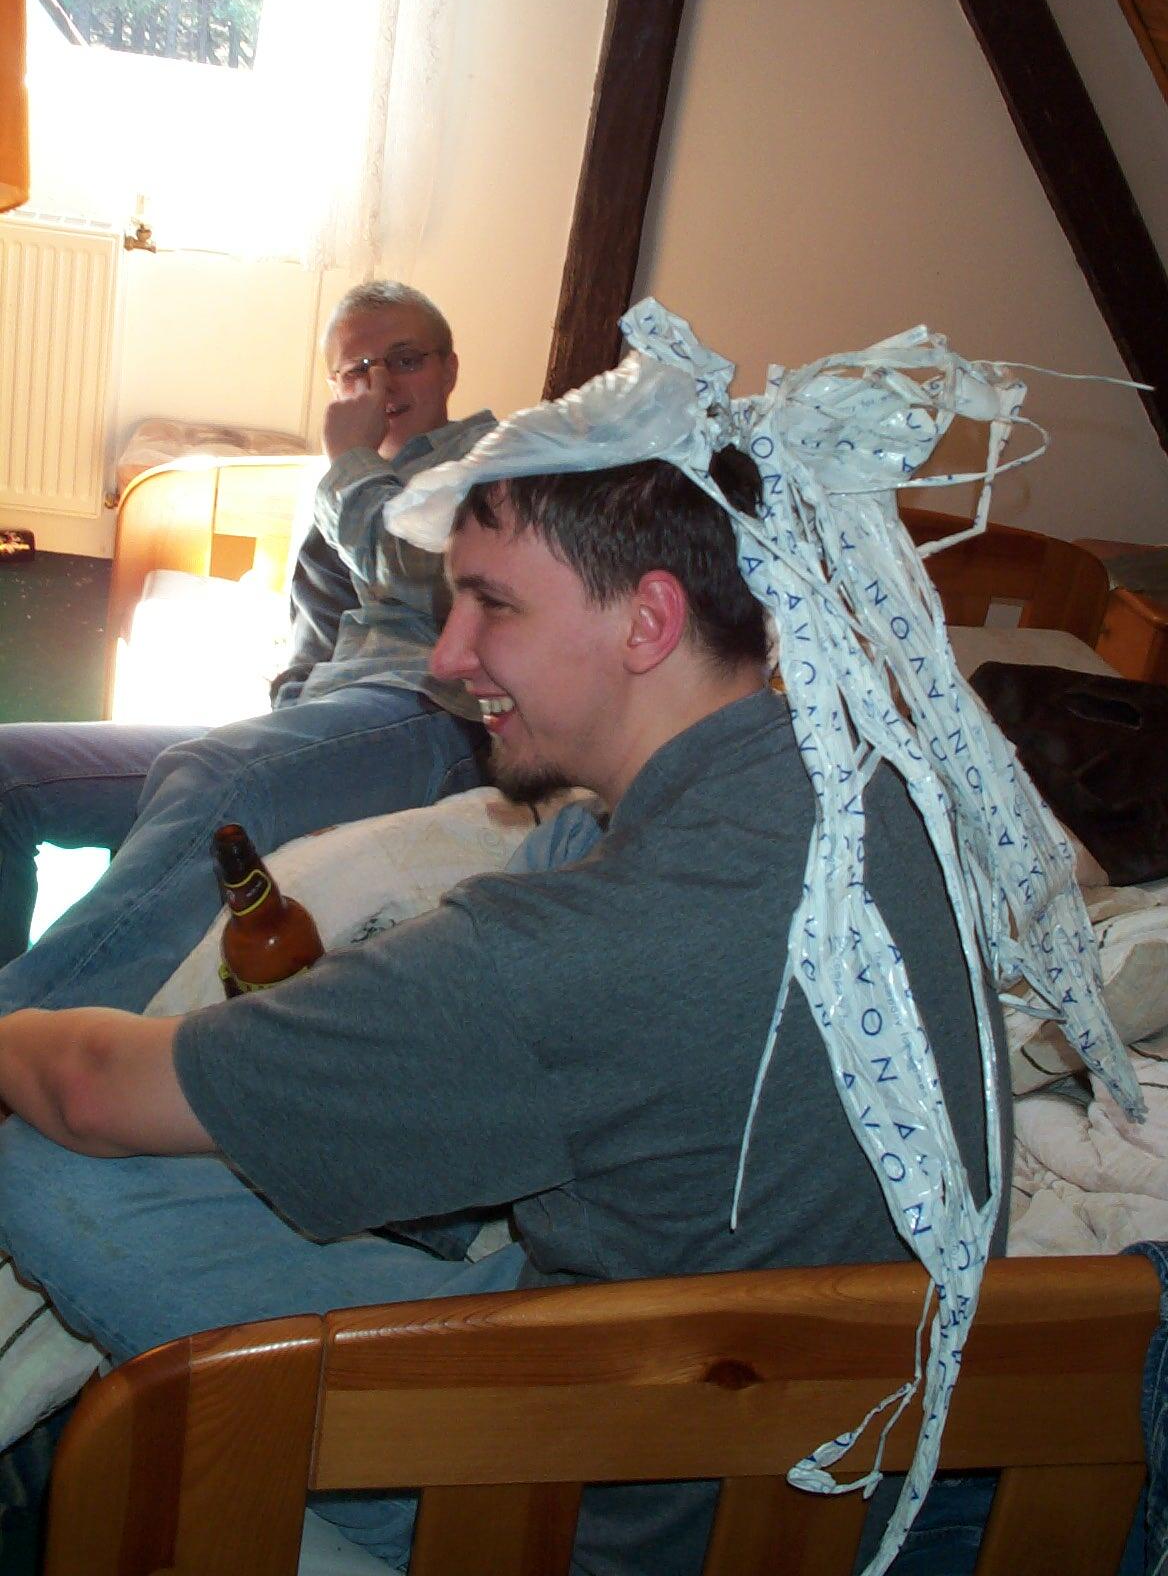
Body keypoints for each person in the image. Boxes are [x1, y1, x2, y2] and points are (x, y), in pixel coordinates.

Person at [0, 303, 1134, 1572]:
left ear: (648, 620)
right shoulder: (873, 781)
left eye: (491, 606)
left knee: (40, 1159)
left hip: (590, 1478)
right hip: (794, 1393)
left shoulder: (564, 950)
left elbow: (89, 1086)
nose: (447, 655)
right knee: (562, 848)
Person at [0, 280, 496, 1014]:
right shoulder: (341, 489)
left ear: (450, 368)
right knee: (10, 770)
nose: (382, 386)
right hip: (341, 719)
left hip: (431, 711)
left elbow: (435, 583)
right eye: (357, 371)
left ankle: (23, 1032)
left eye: (406, 360)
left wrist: (350, 465)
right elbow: (310, 654)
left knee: (218, 775)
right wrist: (286, 744)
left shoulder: (497, 465)